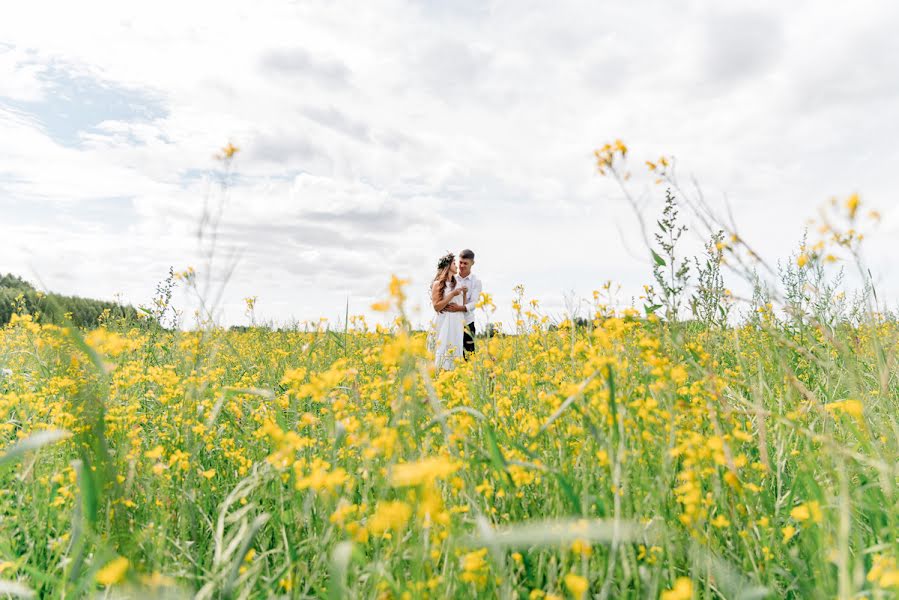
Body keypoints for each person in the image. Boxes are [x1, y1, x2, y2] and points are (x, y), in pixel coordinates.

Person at [431, 252, 466, 370]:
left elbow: (463, 305)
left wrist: (464, 293)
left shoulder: (458, 284)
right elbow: (436, 307)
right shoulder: (438, 284)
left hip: (457, 322)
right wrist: (452, 294)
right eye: (454, 263)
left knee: (455, 353)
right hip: (444, 321)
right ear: (447, 266)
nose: (457, 266)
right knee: (443, 353)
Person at [444, 249, 481, 358]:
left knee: (469, 356)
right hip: (452, 321)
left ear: (472, 263)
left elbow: (474, 303)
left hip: (467, 323)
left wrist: (459, 308)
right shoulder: (452, 278)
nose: (462, 265)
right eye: (460, 262)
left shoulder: (476, 281)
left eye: (466, 263)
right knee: (451, 354)